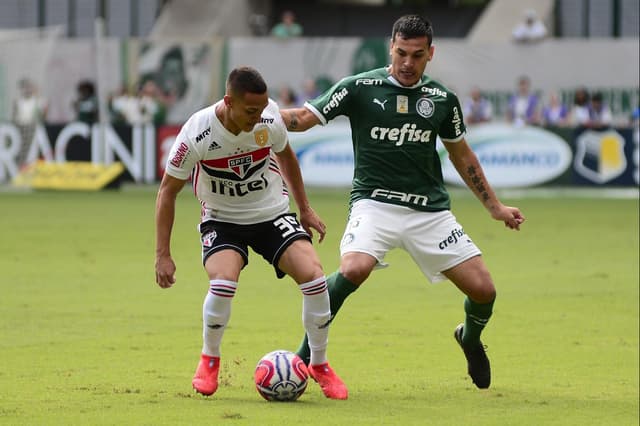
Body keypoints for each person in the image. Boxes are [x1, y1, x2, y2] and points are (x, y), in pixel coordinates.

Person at [280, 15, 525, 390]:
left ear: (431, 54)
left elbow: (463, 156)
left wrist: (494, 207)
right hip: (374, 204)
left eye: (417, 55)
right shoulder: (359, 88)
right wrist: (256, 114)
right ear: (389, 48)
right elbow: (300, 119)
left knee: (484, 291)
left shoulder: (442, 100)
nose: (407, 63)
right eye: (400, 53)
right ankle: (304, 358)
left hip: (430, 212)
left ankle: (470, 338)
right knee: (353, 269)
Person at [154, 66, 348, 399]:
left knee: (315, 278)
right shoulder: (197, 132)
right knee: (224, 281)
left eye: (262, 109)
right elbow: (167, 192)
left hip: (270, 213)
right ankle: (209, 359)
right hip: (222, 219)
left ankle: (319, 364)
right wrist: (163, 254)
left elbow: (287, 157)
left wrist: (304, 209)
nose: (258, 117)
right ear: (228, 101)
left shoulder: (269, 119)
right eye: (250, 111)